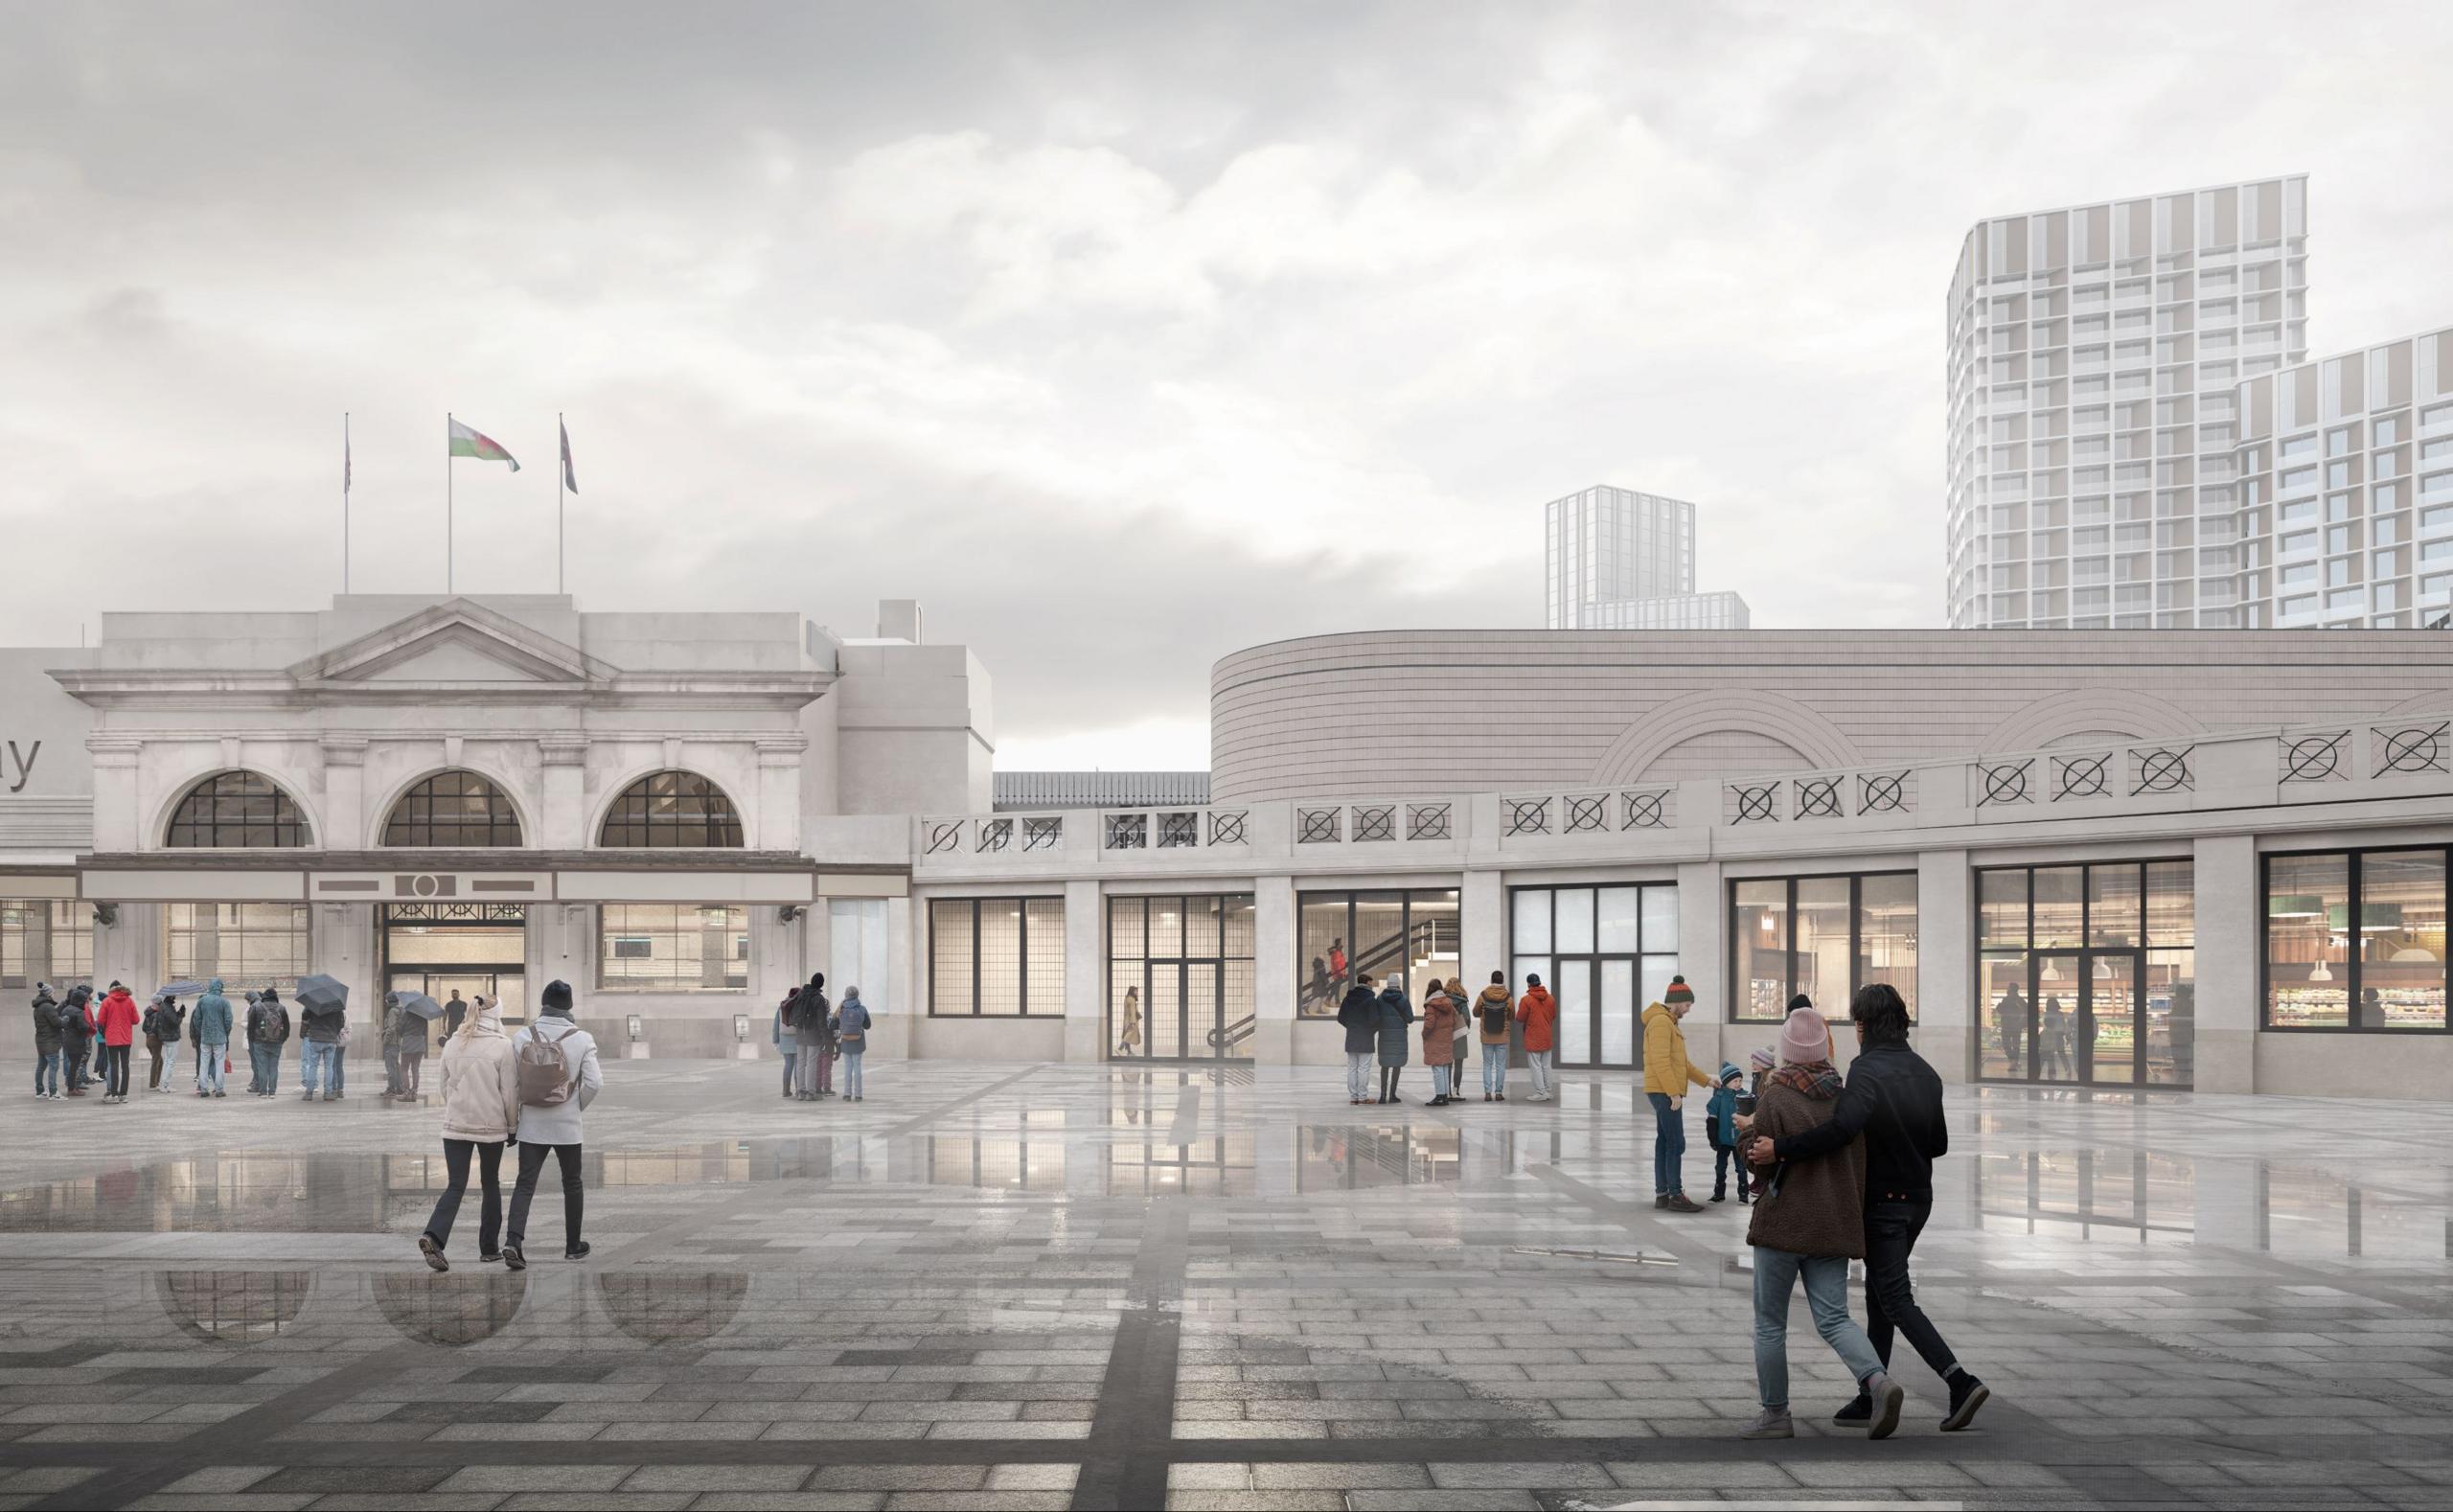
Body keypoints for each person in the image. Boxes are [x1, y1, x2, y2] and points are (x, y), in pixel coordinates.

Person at [1748, 983, 1989, 1434]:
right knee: (1879, 1297)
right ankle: (1869, 1395)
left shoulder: (1866, 1070)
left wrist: (1781, 1148)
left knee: (1894, 1297)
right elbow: (1938, 1142)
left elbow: (1843, 1129)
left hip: (1883, 1202)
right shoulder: (1926, 1072)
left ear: (1862, 1025)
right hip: (1919, 1199)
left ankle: (1959, 1381)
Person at [1739, 1003, 1904, 1442]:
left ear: (1788, 1050)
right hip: (1832, 1225)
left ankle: (1776, 1416)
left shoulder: (1775, 1096)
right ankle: (1877, 1381)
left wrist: (1743, 1132)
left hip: (1783, 1225)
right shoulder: (1846, 1097)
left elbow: (1761, 1165)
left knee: (1769, 1324)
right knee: (1834, 1319)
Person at [504, 979, 603, 1269]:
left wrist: (515, 1118)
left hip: (532, 1123)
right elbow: (595, 1083)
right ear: (569, 1006)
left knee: (525, 1184)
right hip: (567, 1126)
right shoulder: (582, 1038)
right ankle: (573, 1245)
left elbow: (512, 1083)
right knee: (572, 1183)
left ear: (543, 1003)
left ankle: (513, 1242)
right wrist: (575, 1106)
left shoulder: (522, 1036)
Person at [420, 994, 520, 1271]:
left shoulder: (453, 1042)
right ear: (496, 1014)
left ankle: (433, 1236)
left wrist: (457, 1105)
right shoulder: (503, 1046)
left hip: (455, 1126)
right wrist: (512, 1127)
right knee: (490, 1183)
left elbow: (443, 1085)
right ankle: (489, 1248)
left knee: (456, 1185)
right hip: (491, 1126)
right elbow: (509, 1093)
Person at [1642, 975, 1712, 1213]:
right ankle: (1675, 1194)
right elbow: (1660, 1061)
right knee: (1675, 1143)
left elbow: (1682, 1063)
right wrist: (1673, 1094)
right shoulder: (1662, 1023)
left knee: (1664, 1142)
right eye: (1688, 1005)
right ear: (1677, 1001)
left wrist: (1707, 1081)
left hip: (1663, 1089)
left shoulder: (1669, 1023)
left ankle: (1663, 1194)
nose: (1689, 1009)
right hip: (1664, 1091)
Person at [1705, 1062, 1746, 1203]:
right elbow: (1711, 1119)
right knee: (1720, 1168)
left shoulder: (1745, 1097)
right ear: (1726, 1082)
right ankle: (1719, 1193)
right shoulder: (1719, 1098)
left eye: (1740, 1080)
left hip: (1739, 1141)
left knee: (1741, 1168)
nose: (1738, 1083)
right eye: (1735, 1081)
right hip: (1723, 1140)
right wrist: (1713, 1138)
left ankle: (1743, 1194)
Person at [1336, 972, 1379, 1104]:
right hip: (1365, 1037)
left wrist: (1351, 1026)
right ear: (1367, 983)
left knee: (1352, 1067)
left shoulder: (1348, 998)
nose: (1372, 986)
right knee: (1364, 1068)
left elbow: (1341, 1018)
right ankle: (1362, 1097)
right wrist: (1370, 1030)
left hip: (1352, 1037)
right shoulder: (1370, 1000)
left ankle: (1353, 1097)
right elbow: (1375, 1020)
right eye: (1371, 983)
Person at [95, 981, 140, 1104]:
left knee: (114, 1065)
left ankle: (114, 1095)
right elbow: (136, 1020)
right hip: (126, 1038)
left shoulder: (107, 1001)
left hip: (112, 1038)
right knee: (125, 1066)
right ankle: (123, 1095)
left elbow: (100, 1020)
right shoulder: (129, 1001)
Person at [1516, 974, 1557, 1102]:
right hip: (1547, 1035)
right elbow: (1553, 1015)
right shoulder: (1550, 999)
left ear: (1528, 984)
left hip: (1533, 1036)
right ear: (1539, 983)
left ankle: (1540, 1092)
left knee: (1535, 1066)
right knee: (1546, 1066)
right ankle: (1548, 1091)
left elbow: (1520, 1018)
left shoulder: (1526, 1000)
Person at [188, 979, 231, 1098]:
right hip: (220, 1037)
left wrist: (202, 1030)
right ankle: (219, 1090)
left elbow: (196, 1019)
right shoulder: (224, 1002)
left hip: (205, 1037)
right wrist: (225, 1032)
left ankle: (203, 1089)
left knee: (204, 1063)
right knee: (219, 1063)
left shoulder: (202, 1001)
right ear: (219, 988)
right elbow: (228, 1021)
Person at [298, 988, 344, 1102]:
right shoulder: (336, 1006)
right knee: (329, 1067)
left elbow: (304, 1018)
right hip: (330, 1039)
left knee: (313, 1066)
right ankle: (328, 1093)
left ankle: (309, 1093)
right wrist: (334, 1032)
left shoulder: (313, 1004)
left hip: (315, 1039)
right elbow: (341, 1023)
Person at [1373, 975, 1412, 1106]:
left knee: (1384, 1065)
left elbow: (1376, 1017)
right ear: (1398, 984)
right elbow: (1410, 1018)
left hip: (1384, 1036)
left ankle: (1383, 1096)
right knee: (1397, 1065)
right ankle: (1392, 1095)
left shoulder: (1379, 999)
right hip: (1399, 1036)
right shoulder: (1404, 999)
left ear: (1388, 985)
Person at [1474, 972, 1512, 1102]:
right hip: (1502, 1036)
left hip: (1487, 1036)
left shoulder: (1483, 995)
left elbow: (1475, 1012)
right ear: (1502, 980)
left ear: (1491, 980)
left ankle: (1488, 1093)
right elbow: (1512, 1015)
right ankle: (1499, 1093)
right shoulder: (1507, 996)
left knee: (1487, 1065)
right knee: (1501, 1065)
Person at [1419, 978, 1457, 1108]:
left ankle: (1440, 1096)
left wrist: (1424, 1034)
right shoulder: (1449, 1003)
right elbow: (1455, 1020)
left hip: (1435, 1040)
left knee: (1437, 1068)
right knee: (1444, 1067)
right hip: (1446, 1039)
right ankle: (1445, 1095)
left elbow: (1429, 1024)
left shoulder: (1431, 1005)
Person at [792, 973, 830, 1101]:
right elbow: (821, 1021)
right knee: (811, 1062)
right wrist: (825, 1037)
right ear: (821, 984)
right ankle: (811, 1092)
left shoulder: (801, 994)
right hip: (813, 1034)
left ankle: (800, 1091)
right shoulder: (819, 998)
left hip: (800, 1032)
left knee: (801, 1062)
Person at [246, 988, 289, 1097]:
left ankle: (263, 1091)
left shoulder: (256, 1007)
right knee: (274, 1067)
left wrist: (252, 1040)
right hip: (276, 1042)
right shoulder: (282, 1008)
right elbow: (287, 1027)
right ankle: (272, 1092)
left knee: (262, 1066)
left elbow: (250, 1026)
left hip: (259, 1042)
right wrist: (282, 1039)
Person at [835, 986, 871, 1101]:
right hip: (858, 1042)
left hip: (845, 1042)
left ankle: (847, 1094)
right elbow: (868, 1025)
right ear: (857, 995)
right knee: (858, 1068)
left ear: (846, 995)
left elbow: (833, 1024)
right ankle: (859, 1095)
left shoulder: (841, 1008)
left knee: (848, 1068)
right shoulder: (862, 1009)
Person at [58, 985, 93, 1096]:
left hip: (67, 1039)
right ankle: (72, 1088)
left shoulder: (66, 1009)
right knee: (75, 1066)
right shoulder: (78, 1011)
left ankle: (71, 1087)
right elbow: (82, 1027)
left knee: (72, 1065)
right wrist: (89, 1027)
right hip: (77, 1041)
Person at [32, 983, 64, 1100]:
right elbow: (57, 1023)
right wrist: (64, 1020)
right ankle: (53, 1092)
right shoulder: (47, 1007)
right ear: (49, 993)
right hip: (50, 1041)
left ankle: (40, 1091)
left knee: (41, 1066)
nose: (54, 994)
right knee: (53, 1066)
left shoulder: (38, 1007)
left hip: (41, 1040)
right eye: (53, 992)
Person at [1444, 976, 1473, 1103]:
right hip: (1459, 1034)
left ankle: (1447, 1091)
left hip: (1446, 1034)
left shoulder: (1443, 1000)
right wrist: (1465, 1028)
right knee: (1459, 1064)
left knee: (1448, 1064)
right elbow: (1467, 1018)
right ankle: (1456, 1091)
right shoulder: (1462, 1001)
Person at [399, 996, 431, 1099]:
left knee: (404, 1068)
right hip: (420, 1044)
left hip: (408, 1043)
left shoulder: (406, 1014)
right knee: (415, 1069)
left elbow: (399, 1028)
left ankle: (406, 1092)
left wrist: (403, 1033)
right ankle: (414, 1091)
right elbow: (425, 1032)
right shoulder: (424, 1016)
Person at [1993, 982, 2027, 1074]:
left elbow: (2001, 1010)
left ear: (2010, 989)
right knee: (2016, 1046)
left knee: (2006, 1045)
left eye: (2008, 988)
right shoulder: (2020, 1000)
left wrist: (1999, 1007)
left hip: (2007, 1026)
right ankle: (2014, 1062)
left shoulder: (2007, 999)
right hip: (2016, 1026)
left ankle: (2013, 1062)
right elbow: (2026, 1011)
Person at [379, 993, 408, 1099]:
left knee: (390, 1066)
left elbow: (391, 1028)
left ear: (390, 1000)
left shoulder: (392, 1011)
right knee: (396, 1066)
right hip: (397, 1041)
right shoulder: (401, 1010)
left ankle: (391, 1088)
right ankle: (399, 1088)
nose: (385, 1001)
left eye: (386, 999)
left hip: (391, 1042)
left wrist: (385, 1041)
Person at [772, 987, 800, 1098]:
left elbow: (776, 1025)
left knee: (788, 1065)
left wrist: (775, 1040)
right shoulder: (800, 1006)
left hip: (784, 1039)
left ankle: (785, 1090)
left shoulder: (782, 1006)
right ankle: (799, 1090)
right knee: (799, 1066)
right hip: (798, 1039)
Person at [2041, 995, 2071, 1079]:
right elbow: (2064, 1025)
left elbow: (2045, 1025)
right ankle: (2067, 1069)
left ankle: (2052, 1071)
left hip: (2050, 1035)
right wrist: (2067, 1035)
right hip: (2059, 1035)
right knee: (2062, 1053)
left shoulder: (2046, 1014)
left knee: (2050, 1054)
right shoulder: (2060, 1014)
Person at [1117, 985, 1141, 1057]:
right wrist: (1133, 1022)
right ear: (1132, 991)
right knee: (1129, 1034)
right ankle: (1120, 1048)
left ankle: (1129, 1052)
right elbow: (1132, 1011)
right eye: (1136, 991)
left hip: (1126, 1020)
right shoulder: (1132, 999)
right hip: (1131, 1020)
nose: (1137, 992)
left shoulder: (1127, 998)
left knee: (1128, 1034)